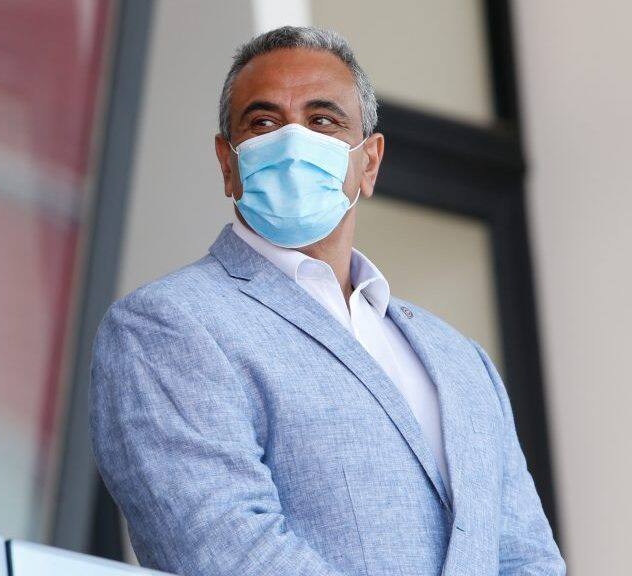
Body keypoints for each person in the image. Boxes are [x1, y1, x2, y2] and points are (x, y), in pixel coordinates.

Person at [90, 25, 566, 576]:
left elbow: (527, 556)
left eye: (323, 120)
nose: (294, 140)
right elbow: (225, 548)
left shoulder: (463, 361)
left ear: (369, 163)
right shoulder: (167, 326)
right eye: (263, 122)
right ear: (227, 162)